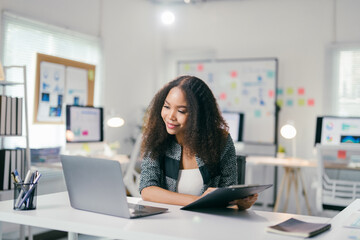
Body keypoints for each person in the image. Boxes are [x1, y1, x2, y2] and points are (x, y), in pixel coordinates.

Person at [139, 75, 258, 210]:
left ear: (199, 114)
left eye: (181, 111)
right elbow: (147, 190)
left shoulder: (221, 141)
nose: (170, 116)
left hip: (207, 224)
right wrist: (200, 201)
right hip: (165, 222)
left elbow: (227, 194)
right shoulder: (156, 138)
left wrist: (240, 203)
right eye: (166, 106)